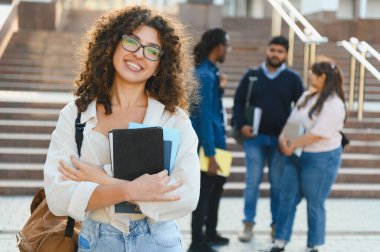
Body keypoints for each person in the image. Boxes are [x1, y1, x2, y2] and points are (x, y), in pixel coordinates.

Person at [43, 6, 200, 252]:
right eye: (131, 42)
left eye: (152, 50)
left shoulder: (173, 120)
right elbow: (58, 197)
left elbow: (186, 197)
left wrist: (101, 180)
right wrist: (133, 190)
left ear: (160, 64)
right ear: (113, 44)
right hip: (96, 242)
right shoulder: (77, 115)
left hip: (158, 242)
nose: (139, 54)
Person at [232, 35, 304, 242]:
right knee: (252, 182)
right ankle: (248, 224)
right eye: (272, 50)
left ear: (286, 54)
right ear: (267, 50)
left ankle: (276, 226)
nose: (275, 54)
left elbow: (301, 110)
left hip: (280, 142)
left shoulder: (293, 79)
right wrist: (241, 124)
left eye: (280, 51)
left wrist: (290, 139)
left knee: (277, 184)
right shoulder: (252, 75)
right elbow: (237, 102)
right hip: (254, 138)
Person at [270, 58, 346, 252]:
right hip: (295, 156)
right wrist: (283, 140)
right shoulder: (307, 96)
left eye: (313, 72)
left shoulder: (334, 104)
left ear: (322, 77)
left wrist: (292, 144)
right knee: (287, 198)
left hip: (321, 159)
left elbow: (319, 133)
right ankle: (280, 242)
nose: (310, 75)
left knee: (315, 202)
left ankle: (314, 245)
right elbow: (293, 121)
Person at [188, 28, 231, 252]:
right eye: (227, 45)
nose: (228, 50)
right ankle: (197, 241)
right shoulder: (204, 75)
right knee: (204, 193)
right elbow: (203, 117)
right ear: (218, 47)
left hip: (216, 140)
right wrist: (211, 154)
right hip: (207, 144)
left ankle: (211, 233)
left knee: (216, 189)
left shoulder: (211, 72)